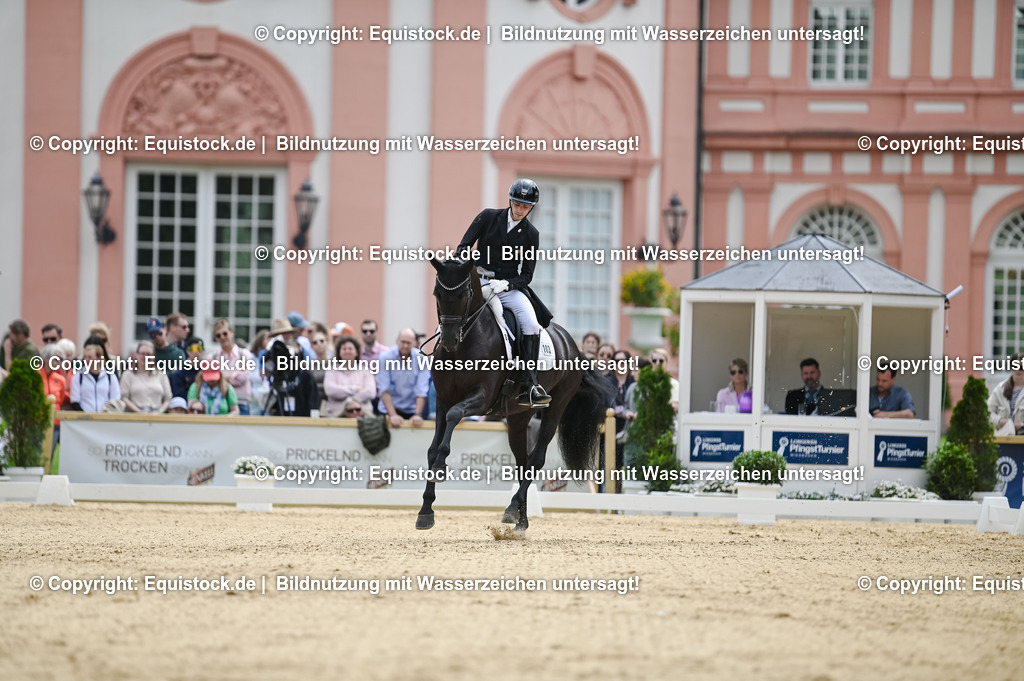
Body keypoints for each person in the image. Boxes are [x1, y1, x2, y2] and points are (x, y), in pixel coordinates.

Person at [457, 178, 553, 408]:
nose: (520, 210)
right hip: (479, 282)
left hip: (507, 287)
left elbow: (527, 274)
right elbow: (463, 247)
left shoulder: (531, 234)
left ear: (531, 208)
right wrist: (470, 265)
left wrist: (507, 285)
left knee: (530, 323)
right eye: (517, 204)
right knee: (454, 306)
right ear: (510, 200)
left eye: (526, 207)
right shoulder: (488, 217)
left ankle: (529, 384)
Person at [377, 328, 430, 427]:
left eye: (409, 343)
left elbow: (421, 389)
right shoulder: (385, 357)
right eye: (403, 342)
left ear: (414, 343)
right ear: (397, 341)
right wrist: (393, 415)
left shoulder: (422, 358)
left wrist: (417, 414)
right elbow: (384, 389)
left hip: (412, 410)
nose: (405, 346)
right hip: (388, 410)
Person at [324, 335, 377, 418]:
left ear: (356, 352)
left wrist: (351, 401)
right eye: (344, 349)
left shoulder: (365, 371)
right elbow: (330, 390)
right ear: (339, 352)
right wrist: (356, 388)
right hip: (337, 416)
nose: (347, 351)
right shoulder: (332, 371)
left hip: (363, 416)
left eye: (350, 349)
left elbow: (370, 392)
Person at [263, 339, 319, 417]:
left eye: (297, 356)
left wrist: (314, 419)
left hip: (302, 419)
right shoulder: (277, 374)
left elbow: (313, 401)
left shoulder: (305, 375)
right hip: (280, 419)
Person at [211, 318, 254, 415]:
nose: (222, 337)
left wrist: (222, 376)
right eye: (218, 335)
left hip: (241, 402)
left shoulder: (244, 354)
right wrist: (234, 375)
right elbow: (212, 380)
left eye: (225, 333)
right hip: (221, 403)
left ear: (232, 333)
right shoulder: (213, 357)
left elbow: (244, 378)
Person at [784, 358, 854, 417]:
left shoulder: (831, 396)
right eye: (806, 373)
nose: (809, 377)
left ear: (819, 373)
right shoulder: (792, 396)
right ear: (802, 375)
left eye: (812, 373)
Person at [120, 341, 172, 413]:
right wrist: (138, 411)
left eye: (149, 354)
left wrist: (160, 412)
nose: (146, 357)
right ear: (137, 355)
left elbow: (168, 399)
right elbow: (124, 398)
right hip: (134, 416)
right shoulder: (127, 375)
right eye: (143, 354)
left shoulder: (161, 375)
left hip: (157, 416)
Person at [69, 340, 120, 412]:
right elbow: (74, 400)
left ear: (99, 358)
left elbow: (115, 399)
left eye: (90, 357)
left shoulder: (110, 376)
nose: (86, 360)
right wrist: (85, 417)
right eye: (85, 357)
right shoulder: (78, 376)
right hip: (84, 420)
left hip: (106, 419)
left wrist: (106, 414)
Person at [989, 352, 1024, 436]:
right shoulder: (1000, 389)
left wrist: (1021, 425)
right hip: (1003, 438)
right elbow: (988, 413)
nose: (1018, 370)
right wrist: (1000, 421)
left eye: (1022, 367)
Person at [650, 348, 679, 413]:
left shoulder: (673, 383)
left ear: (667, 362)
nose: (657, 363)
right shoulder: (647, 383)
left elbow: (674, 407)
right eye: (654, 360)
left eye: (661, 361)